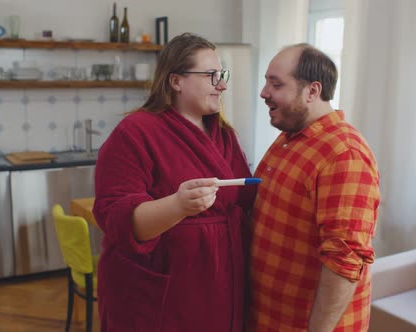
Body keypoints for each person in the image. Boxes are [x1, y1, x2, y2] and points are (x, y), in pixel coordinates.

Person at [93, 33, 256, 331]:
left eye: (222, 75)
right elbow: (117, 219)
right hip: (165, 290)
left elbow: (245, 199)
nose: (222, 85)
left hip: (221, 284)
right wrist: (178, 205)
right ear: (176, 81)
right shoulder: (135, 132)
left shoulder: (224, 134)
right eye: (211, 76)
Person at [247, 44, 381, 332]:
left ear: (312, 91)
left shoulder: (344, 154)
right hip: (269, 316)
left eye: (276, 84)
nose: (264, 92)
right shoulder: (289, 136)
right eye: (266, 81)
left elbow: (344, 261)